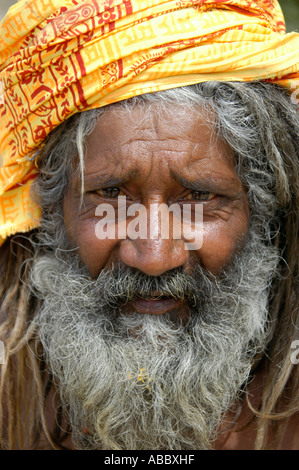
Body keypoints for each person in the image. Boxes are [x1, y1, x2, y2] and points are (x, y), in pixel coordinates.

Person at [0, 0, 298, 451]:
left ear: (261, 213)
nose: (155, 256)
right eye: (112, 194)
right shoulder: (12, 401)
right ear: (51, 205)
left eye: (199, 197)